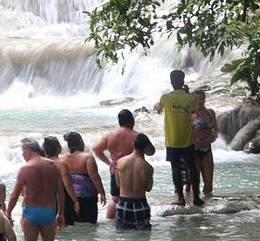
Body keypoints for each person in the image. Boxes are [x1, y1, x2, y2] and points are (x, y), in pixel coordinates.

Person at [92, 109, 155, 218]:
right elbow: (151, 151)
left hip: (117, 167)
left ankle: (110, 220)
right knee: (137, 194)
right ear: (132, 121)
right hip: (137, 168)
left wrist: (110, 162)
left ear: (119, 121)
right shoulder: (138, 136)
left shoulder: (110, 135)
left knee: (115, 198)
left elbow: (96, 148)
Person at [6, 138, 65, 241]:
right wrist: (60, 213)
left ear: (28, 150)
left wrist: (8, 213)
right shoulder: (53, 165)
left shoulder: (25, 168)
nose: (23, 155)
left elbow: (15, 194)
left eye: (23, 152)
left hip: (31, 211)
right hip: (49, 211)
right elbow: (60, 192)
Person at [157, 69, 204, 206]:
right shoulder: (191, 98)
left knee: (175, 168)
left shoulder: (165, 98)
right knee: (192, 168)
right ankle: (196, 197)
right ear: (183, 81)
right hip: (187, 138)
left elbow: (159, 110)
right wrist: (187, 93)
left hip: (172, 139)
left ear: (171, 82)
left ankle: (180, 198)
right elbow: (195, 112)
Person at [61, 131, 107, 224]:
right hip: (87, 197)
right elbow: (94, 177)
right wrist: (102, 193)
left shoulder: (63, 159)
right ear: (81, 142)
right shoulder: (87, 158)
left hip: (70, 197)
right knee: (89, 225)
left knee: (73, 224)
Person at [115, 133, 155, 231]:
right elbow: (148, 188)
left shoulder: (120, 162)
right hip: (140, 204)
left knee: (122, 238)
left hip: (123, 203)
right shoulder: (148, 167)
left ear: (133, 144)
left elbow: (118, 184)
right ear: (146, 147)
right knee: (143, 238)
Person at [42, 137, 80, 225]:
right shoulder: (60, 163)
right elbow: (67, 184)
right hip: (61, 199)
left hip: (44, 198)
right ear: (58, 148)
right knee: (63, 224)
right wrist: (75, 200)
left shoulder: (40, 162)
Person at [192, 89, 219, 195]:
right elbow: (185, 132)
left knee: (209, 182)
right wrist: (194, 141)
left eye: (201, 98)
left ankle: (208, 206)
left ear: (205, 99)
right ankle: (192, 206)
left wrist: (213, 138)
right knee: (194, 182)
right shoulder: (190, 114)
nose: (199, 101)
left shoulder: (210, 113)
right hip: (194, 149)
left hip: (207, 148)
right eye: (196, 99)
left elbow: (216, 130)